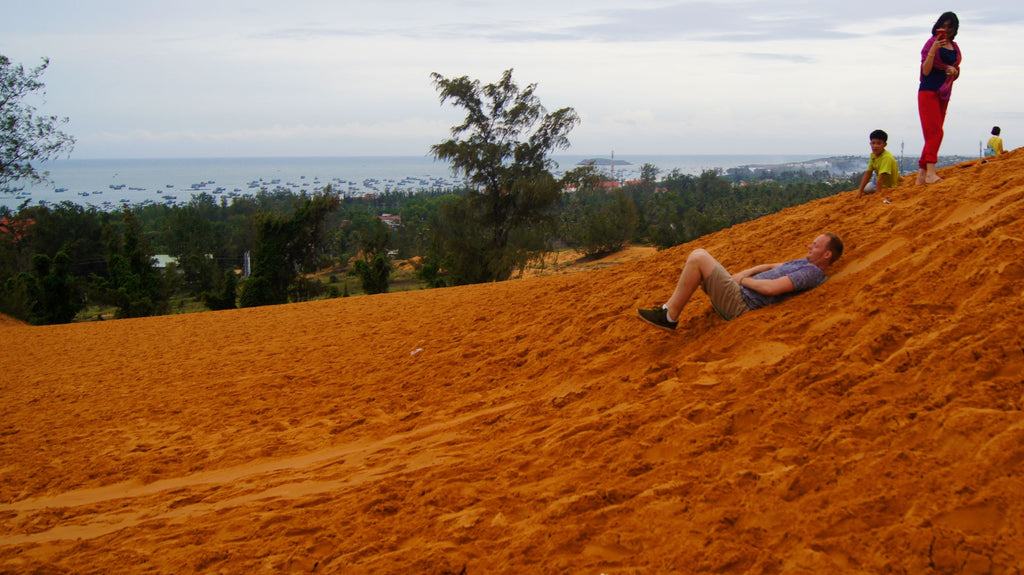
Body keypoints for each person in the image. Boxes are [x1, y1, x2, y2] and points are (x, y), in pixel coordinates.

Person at [637, 232, 844, 330]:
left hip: (742, 303)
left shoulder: (811, 272)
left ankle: (669, 315)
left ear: (826, 255)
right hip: (741, 291)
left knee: (699, 256)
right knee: (701, 261)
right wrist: (746, 272)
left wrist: (744, 280)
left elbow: (772, 288)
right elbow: (774, 266)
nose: (809, 246)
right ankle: (668, 311)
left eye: (816, 245)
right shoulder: (805, 262)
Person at [917, 11, 962, 185]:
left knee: (932, 133)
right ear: (937, 25)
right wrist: (934, 48)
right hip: (928, 91)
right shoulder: (930, 44)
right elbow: (926, 71)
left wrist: (954, 71)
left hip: (944, 92)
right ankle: (930, 172)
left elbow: (956, 70)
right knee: (935, 132)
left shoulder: (955, 47)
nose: (947, 30)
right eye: (944, 25)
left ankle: (922, 175)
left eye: (951, 27)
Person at [855, 129, 901, 197]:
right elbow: (868, 173)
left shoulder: (886, 157)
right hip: (879, 177)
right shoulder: (873, 155)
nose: (875, 146)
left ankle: (899, 178)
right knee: (876, 174)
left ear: (885, 144)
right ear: (870, 144)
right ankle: (900, 178)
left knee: (867, 189)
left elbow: (881, 178)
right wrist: (859, 191)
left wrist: (878, 195)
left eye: (879, 143)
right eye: (873, 143)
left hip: (886, 185)